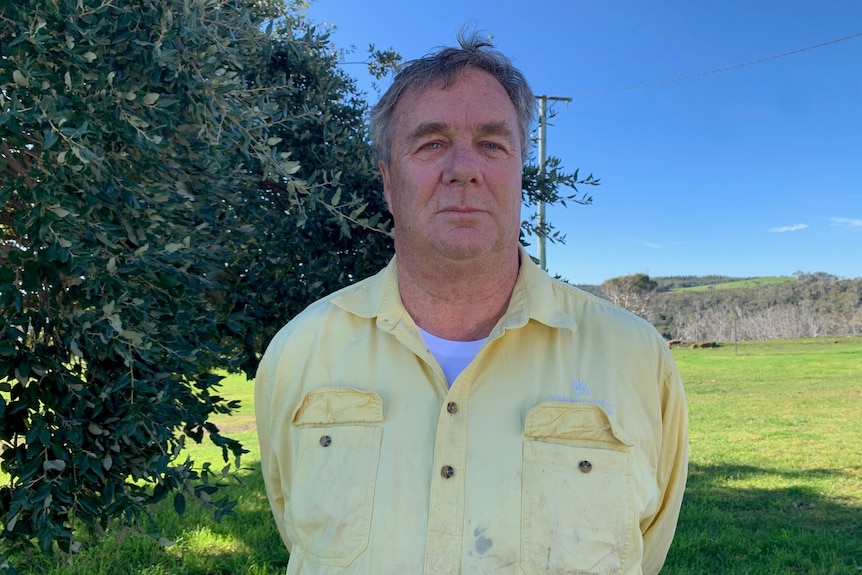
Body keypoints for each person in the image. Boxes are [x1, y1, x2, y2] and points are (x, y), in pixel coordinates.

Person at [255, 31, 688, 575]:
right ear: (389, 184)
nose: (464, 168)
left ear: (520, 176)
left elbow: (645, 552)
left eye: (492, 144)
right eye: (431, 143)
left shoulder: (637, 358)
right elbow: (291, 521)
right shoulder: (299, 351)